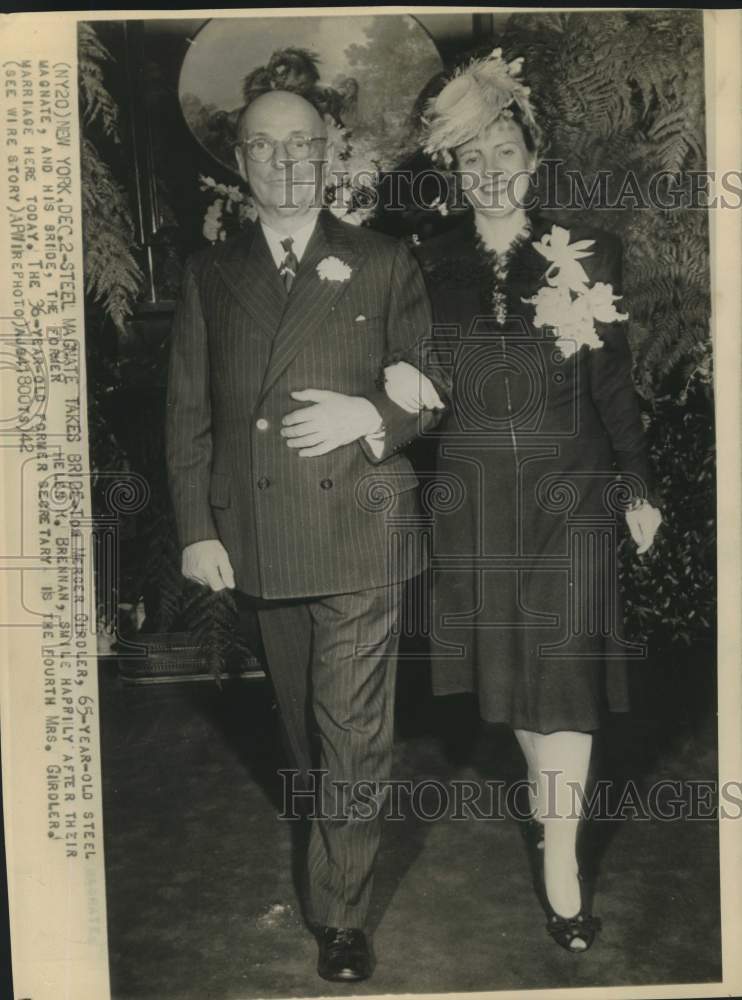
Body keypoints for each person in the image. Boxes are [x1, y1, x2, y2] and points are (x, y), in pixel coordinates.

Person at [383, 49, 662, 952]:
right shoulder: (425, 262)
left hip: (572, 490)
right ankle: (553, 811)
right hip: (475, 498)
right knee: (515, 681)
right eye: (472, 158)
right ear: (453, 170)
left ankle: (562, 863)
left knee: (565, 676)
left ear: (533, 159)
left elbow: (613, 383)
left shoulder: (589, 251)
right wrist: (399, 379)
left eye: (505, 151)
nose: (491, 171)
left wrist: (637, 485)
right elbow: (417, 372)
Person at [166, 80, 443, 982]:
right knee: (307, 731)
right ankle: (332, 833)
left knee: (352, 726)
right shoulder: (209, 274)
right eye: (264, 145)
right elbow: (188, 414)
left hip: (361, 523)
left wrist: (370, 416)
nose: (284, 161)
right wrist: (196, 529)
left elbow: (429, 385)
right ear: (239, 161)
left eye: (300, 144)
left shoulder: (383, 260)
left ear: (327, 154)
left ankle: (342, 915)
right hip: (259, 535)